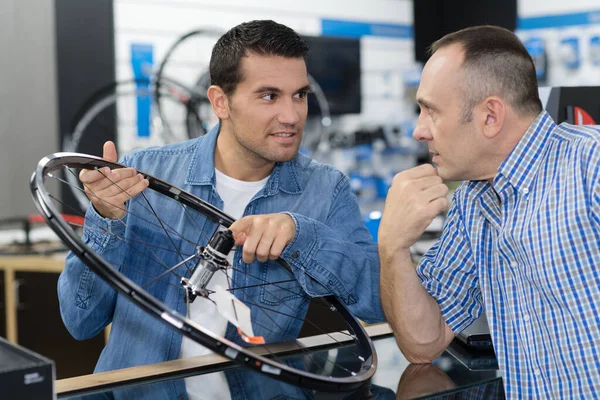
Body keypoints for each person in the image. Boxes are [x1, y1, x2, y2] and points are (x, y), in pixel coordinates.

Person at [58, 20, 384, 400]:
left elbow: (378, 303)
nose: (293, 116)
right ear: (219, 101)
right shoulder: (144, 175)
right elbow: (80, 321)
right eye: (268, 96)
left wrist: (303, 237)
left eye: (299, 95)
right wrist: (106, 220)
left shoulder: (325, 190)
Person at [378, 25, 600, 399]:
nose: (418, 131)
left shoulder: (590, 166)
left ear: (490, 116)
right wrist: (392, 247)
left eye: (430, 111)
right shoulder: (472, 201)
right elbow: (423, 342)